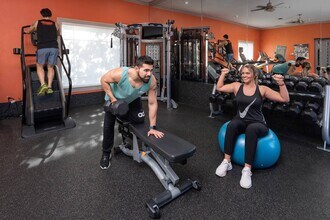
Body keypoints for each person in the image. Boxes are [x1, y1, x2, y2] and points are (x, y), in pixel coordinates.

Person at [215, 64, 289, 189]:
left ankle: (247, 170)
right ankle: (226, 161)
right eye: (243, 73)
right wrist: (223, 74)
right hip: (240, 121)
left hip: (258, 123)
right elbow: (220, 87)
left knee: (251, 129)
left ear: (254, 75)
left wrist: (281, 84)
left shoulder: (262, 89)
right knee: (232, 125)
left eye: (247, 73)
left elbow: (284, 98)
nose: (244, 75)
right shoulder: (236, 86)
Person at [99, 56, 164, 170]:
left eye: (151, 70)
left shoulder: (151, 81)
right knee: (108, 127)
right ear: (136, 68)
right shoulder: (121, 74)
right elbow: (103, 79)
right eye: (146, 70)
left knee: (139, 121)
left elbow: (152, 103)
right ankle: (106, 153)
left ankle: (125, 137)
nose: (149, 74)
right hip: (115, 99)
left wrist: (153, 127)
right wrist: (113, 100)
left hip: (133, 99)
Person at [26, 8, 59, 96]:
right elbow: (58, 34)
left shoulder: (37, 22)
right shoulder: (55, 23)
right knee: (50, 67)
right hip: (54, 47)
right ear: (50, 14)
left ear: (42, 14)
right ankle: (49, 87)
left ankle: (43, 84)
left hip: (43, 47)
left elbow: (28, 31)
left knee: (39, 66)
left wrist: (31, 27)